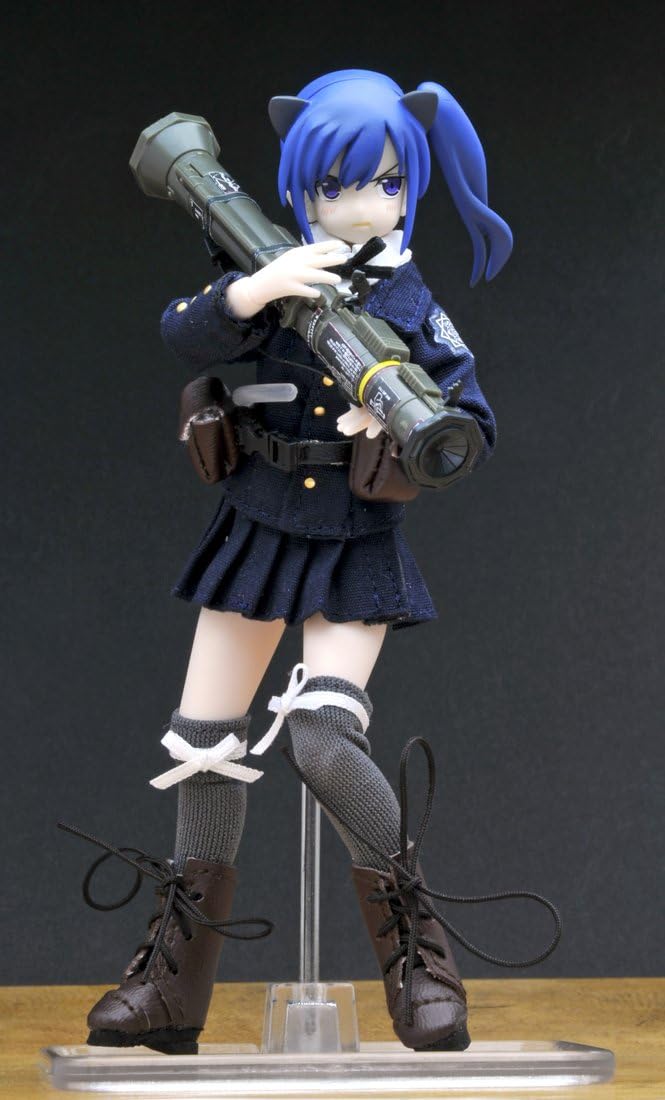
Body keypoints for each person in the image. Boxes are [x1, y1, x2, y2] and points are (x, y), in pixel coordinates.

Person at [85, 69, 512, 1055]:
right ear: (301, 186)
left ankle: (417, 956)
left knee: (322, 741)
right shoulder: (275, 271)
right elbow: (182, 331)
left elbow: (470, 426)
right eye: (334, 184)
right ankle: (173, 991)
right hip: (256, 523)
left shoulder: (407, 299)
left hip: (354, 540)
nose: (359, 205)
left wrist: (401, 428)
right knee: (202, 744)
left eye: (385, 183)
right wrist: (254, 288)